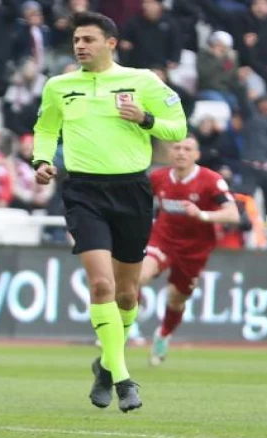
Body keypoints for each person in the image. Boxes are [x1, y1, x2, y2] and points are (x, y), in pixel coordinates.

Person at [32, 12, 187, 413]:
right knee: (100, 286)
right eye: (76, 40)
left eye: (88, 39)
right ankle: (123, 379)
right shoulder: (59, 86)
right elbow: (46, 128)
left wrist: (146, 119)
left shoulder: (143, 82)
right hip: (84, 191)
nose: (80, 45)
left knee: (126, 292)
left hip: (133, 190)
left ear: (111, 43)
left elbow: (178, 128)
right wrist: (41, 160)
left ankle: (105, 366)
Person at [142, 136, 239, 365]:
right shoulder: (158, 177)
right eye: (177, 148)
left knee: (176, 300)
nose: (181, 152)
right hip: (163, 239)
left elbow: (233, 215)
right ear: (170, 153)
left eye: (187, 149)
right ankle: (124, 328)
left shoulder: (210, 180)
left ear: (196, 155)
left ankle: (163, 335)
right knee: (139, 277)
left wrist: (202, 214)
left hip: (195, 247)